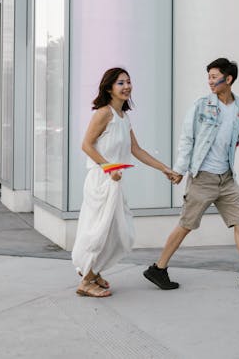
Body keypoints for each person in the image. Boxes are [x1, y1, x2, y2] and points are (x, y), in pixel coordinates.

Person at [143, 58, 239, 289]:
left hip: (226, 178)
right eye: (209, 77)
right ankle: (158, 268)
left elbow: (234, 140)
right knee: (186, 224)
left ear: (229, 79)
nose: (210, 81)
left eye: (214, 77)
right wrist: (179, 170)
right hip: (203, 177)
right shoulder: (201, 105)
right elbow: (188, 139)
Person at [72, 67, 177, 297]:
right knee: (100, 231)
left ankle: (93, 271)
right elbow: (86, 145)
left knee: (117, 232)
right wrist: (109, 168)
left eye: (128, 82)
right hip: (101, 180)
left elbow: (136, 150)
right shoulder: (103, 113)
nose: (127, 86)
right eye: (120, 83)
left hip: (114, 181)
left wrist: (164, 169)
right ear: (109, 87)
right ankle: (86, 281)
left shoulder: (123, 117)